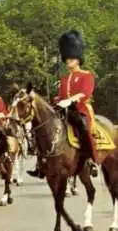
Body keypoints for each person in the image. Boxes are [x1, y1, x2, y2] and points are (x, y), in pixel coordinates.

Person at [28, 29, 99, 178]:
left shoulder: (87, 75)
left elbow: (85, 93)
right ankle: (40, 163)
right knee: (42, 128)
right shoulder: (65, 78)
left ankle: (92, 159)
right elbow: (60, 96)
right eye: (66, 59)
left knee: (83, 129)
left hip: (80, 109)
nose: (68, 61)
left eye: (71, 59)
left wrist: (70, 100)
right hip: (64, 110)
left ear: (78, 58)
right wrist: (56, 101)